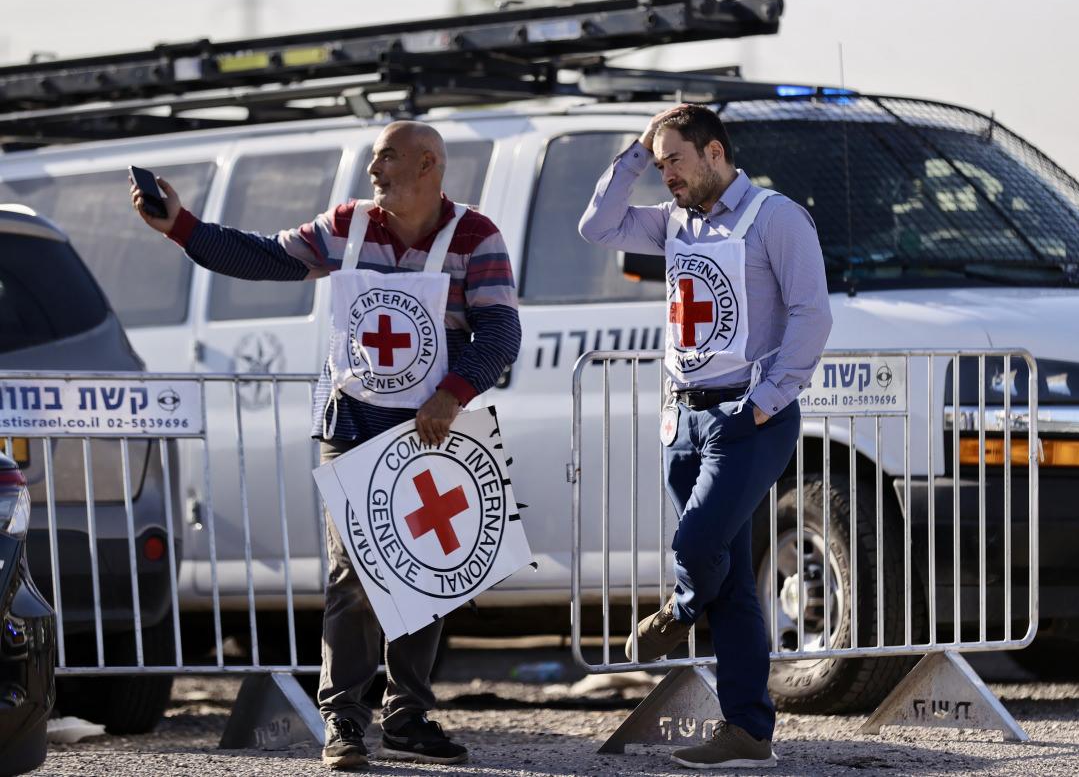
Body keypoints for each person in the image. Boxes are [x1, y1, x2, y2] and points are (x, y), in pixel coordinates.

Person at [130, 121, 521, 770]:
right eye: (373, 160)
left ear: (428, 165)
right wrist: (182, 226)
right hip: (350, 423)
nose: (374, 171)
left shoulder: (477, 238)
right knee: (356, 571)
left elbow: (501, 332)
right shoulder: (348, 226)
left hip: (429, 424)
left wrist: (453, 392)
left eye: (386, 158)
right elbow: (266, 256)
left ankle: (408, 715)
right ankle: (342, 720)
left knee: (427, 565)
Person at [579, 104, 832, 769]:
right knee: (735, 586)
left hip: (748, 420)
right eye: (658, 164)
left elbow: (811, 313)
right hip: (682, 417)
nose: (666, 176)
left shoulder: (775, 218)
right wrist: (637, 150)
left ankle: (679, 609)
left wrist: (766, 402)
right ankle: (748, 731)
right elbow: (596, 225)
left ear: (715, 152)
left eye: (674, 160)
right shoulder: (674, 221)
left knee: (696, 544)